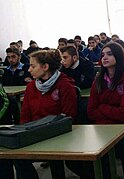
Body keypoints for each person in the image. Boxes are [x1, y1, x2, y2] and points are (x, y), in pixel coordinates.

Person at [67, 42, 124, 179]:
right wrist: (110, 112)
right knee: (73, 159)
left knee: (102, 154)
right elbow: (91, 111)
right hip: (100, 128)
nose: (104, 57)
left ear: (119, 56)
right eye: (103, 54)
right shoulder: (98, 81)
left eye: (110, 54)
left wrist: (103, 107)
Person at [14, 49, 77, 179]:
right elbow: (25, 114)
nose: (29, 70)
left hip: (59, 135)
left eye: (33, 66)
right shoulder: (31, 87)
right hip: (35, 133)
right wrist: (26, 133)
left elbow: (69, 116)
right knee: (17, 156)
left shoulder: (65, 85)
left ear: (45, 67)